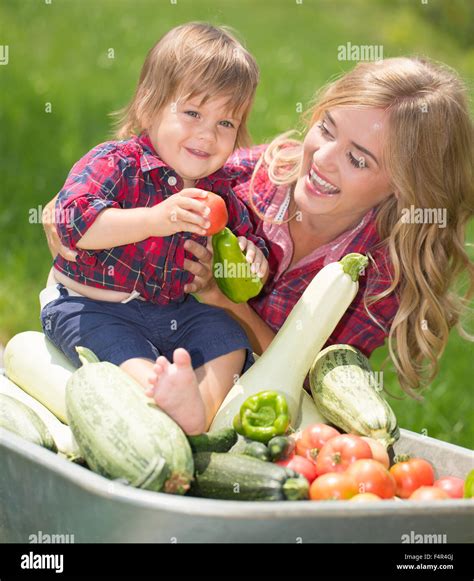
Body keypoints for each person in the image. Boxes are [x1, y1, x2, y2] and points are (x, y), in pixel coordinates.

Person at [44, 56, 474, 405]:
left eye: (358, 160)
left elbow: (315, 385)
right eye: (326, 129)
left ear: (405, 190)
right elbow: (144, 175)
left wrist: (223, 300)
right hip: (138, 339)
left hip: (253, 401)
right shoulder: (247, 178)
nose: (323, 158)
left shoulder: (380, 277)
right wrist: (62, 213)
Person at [39, 22, 269, 435]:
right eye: (193, 113)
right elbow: (75, 224)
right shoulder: (117, 162)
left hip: (175, 311)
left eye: (225, 124)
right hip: (92, 306)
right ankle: (154, 392)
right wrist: (155, 219)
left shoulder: (219, 189)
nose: (207, 134)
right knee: (119, 350)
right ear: (149, 107)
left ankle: (198, 406)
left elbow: (242, 239)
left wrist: (253, 259)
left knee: (227, 338)